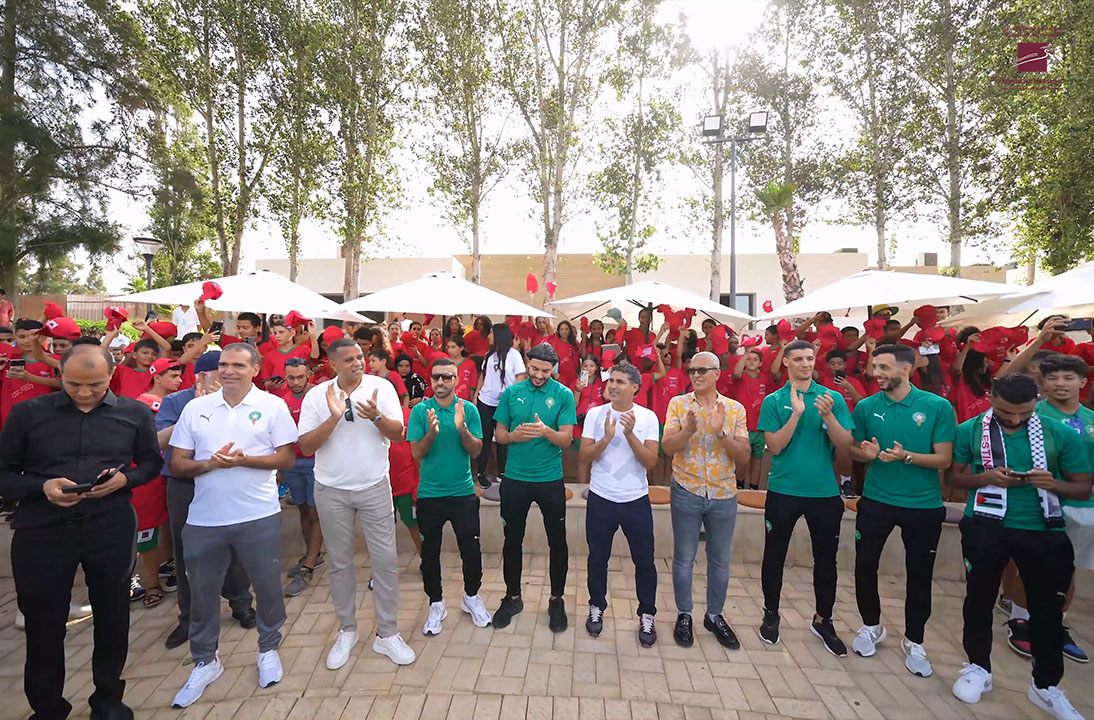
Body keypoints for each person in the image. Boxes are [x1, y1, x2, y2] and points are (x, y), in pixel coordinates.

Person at [0, 344, 161, 719]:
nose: (84, 393)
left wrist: (125, 478)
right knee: (42, 624)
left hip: (109, 526)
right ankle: (47, 707)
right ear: (59, 374)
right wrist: (42, 487)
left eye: (95, 385)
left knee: (113, 617)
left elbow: (151, 463)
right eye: (74, 384)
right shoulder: (28, 414)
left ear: (111, 375)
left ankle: (107, 699)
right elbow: (4, 473)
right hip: (42, 529)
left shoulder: (134, 414)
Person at [947, 373, 1091, 718]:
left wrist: (1052, 483)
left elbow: (1083, 488)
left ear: (1036, 403)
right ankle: (978, 667)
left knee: (1046, 609)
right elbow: (954, 478)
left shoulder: (1059, 434)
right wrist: (986, 478)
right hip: (985, 525)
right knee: (979, 599)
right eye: (1005, 412)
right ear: (992, 398)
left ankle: (1045, 685)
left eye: (1023, 414)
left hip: (1042, 529)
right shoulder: (970, 429)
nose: (1014, 420)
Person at [168, 343, 298, 707]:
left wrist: (244, 460)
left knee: (268, 587)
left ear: (254, 369)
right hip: (205, 518)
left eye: (238, 365)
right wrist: (210, 464)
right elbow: (178, 464)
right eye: (223, 364)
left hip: (258, 515)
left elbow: (286, 456)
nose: (228, 371)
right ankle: (205, 661)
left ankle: (268, 648)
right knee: (203, 594)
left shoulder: (272, 405)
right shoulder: (196, 409)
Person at [296, 339, 416, 670]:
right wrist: (333, 418)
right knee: (340, 563)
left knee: (386, 561)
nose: (357, 362)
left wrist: (377, 417)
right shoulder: (317, 396)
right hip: (331, 490)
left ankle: (387, 634)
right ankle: (347, 630)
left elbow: (398, 434)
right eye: (348, 359)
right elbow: (305, 446)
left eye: (360, 357)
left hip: (375, 486)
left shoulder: (382, 388)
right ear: (333, 364)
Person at [847, 344, 956, 677]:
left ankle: (915, 640)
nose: (875, 373)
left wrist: (905, 455)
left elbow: (944, 460)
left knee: (919, 574)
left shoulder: (936, 406)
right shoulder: (866, 407)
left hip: (922, 506)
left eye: (883, 367)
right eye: (873, 367)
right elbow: (857, 448)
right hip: (877, 501)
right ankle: (871, 626)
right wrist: (865, 453)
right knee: (865, 565)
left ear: (906, 369)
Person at [756, 339, 855, 656]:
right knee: (775, 556)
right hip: (784, 490)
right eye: (798, 359)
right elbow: (775, 447)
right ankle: (771, 614)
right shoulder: (774, 400)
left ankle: (823, 620)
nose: (805, 364)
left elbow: (845, 446)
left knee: (826, 560)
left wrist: (828, 417)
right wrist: (796, 415)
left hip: (824, 492)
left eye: (810, 358)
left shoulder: (832, 399)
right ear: (786, 362)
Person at [156, 351, 256, 650]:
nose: (228, 375)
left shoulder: (240, 402)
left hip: (227, 481)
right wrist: (193, 411)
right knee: (187, 552)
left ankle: (241, 604)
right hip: (184, 483)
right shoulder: (176, 402)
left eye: (235, 368)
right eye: (220, 370)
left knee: (234, 545)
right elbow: (157, 440)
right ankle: (189, 617)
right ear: (200, 376)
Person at [1004, 354, 1094, 664]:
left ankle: (1055, 624)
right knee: (1027, 563)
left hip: (1083, 505)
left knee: (1067, 569)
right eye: (1053, 378)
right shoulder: (1029, 415)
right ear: (1042, 382)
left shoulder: (1091, 420)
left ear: (1083, 382)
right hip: (1036, 503)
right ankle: (1019, 617)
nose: (1060, 384)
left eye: (1068, 378)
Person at [661, 351, 750, 649]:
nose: (696, 375)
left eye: (702, 370)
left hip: (724, 494)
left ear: (716, 373)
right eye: (692, 371)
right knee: (684, 558)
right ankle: (684, 613)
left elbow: (745, 456)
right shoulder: (678, 404)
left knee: (720, 561)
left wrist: (720, 432)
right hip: (687, 490)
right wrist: (689, 429)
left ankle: (714, 615)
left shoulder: (734, 409)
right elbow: (667, 447)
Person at [491, 342, 576, 631]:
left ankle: (556, 599)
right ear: (527, 365)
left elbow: (566, 440)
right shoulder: (512, 393)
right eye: (535, 369)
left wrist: (545, 432)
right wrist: (514, 436)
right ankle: (512, 596)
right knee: (512, 539)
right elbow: (499, 435)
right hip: (515, 478)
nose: (539, 375)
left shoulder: (563, 395)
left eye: (545, 371)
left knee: (558, 542)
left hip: (550, 479)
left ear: (554, 370)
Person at [408, 356, 492, 634]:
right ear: (430, 380)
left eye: (447, 377)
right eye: (436, 377)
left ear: (456, 380)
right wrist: (431, 433)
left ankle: (471, 597)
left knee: (471, 549)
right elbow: (417, 454)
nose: (440, 382)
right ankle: (436, 603)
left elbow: (477, 451)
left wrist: (461, 428)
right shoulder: (421, 411)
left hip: (463, 492)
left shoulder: (468, 409)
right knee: (429, 553)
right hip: (430, 494)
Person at [580, 361, 660, 646]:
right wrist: (606, 438)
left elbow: (651, 461)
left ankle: (647, 614)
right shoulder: (595, 414)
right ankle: (596, 607)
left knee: (644, 561)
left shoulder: (648, 417)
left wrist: (628, 434)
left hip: (635, 500)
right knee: (597, 558)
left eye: (620, 381)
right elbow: (584, 456)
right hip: (601, 498)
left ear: (635, 388)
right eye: (611, 380)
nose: (613, 385)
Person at [278, 357, 325, 597]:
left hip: (317, 461)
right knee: (304, 510)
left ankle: (308, 564)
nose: (295, 382)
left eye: (300, 377)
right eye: (290, 378)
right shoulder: (281, 400)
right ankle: (313, 555)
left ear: (308, 375)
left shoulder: (318, 397)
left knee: (316, 512)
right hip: (292, 463)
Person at [475, 323, 527, 489]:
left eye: (490, 333)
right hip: (485, 401)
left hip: (505, 404)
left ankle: (503, 472)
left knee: (503, 438)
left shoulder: (514, 355)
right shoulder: (489, 355)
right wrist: (476, 395)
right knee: (484, 437)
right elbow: (483, 377)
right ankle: (481, 472)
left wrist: (511, 399)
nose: (488, 336)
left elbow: (520, 377)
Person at [1, 319, 60, 426]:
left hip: (41, 416)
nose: (27, 341)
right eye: (21, 337)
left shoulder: (54, 360)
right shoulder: (7, 357)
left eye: (33, 336)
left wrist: (31, 378)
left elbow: (63, 382)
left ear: (44, 337)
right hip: (9, 416)